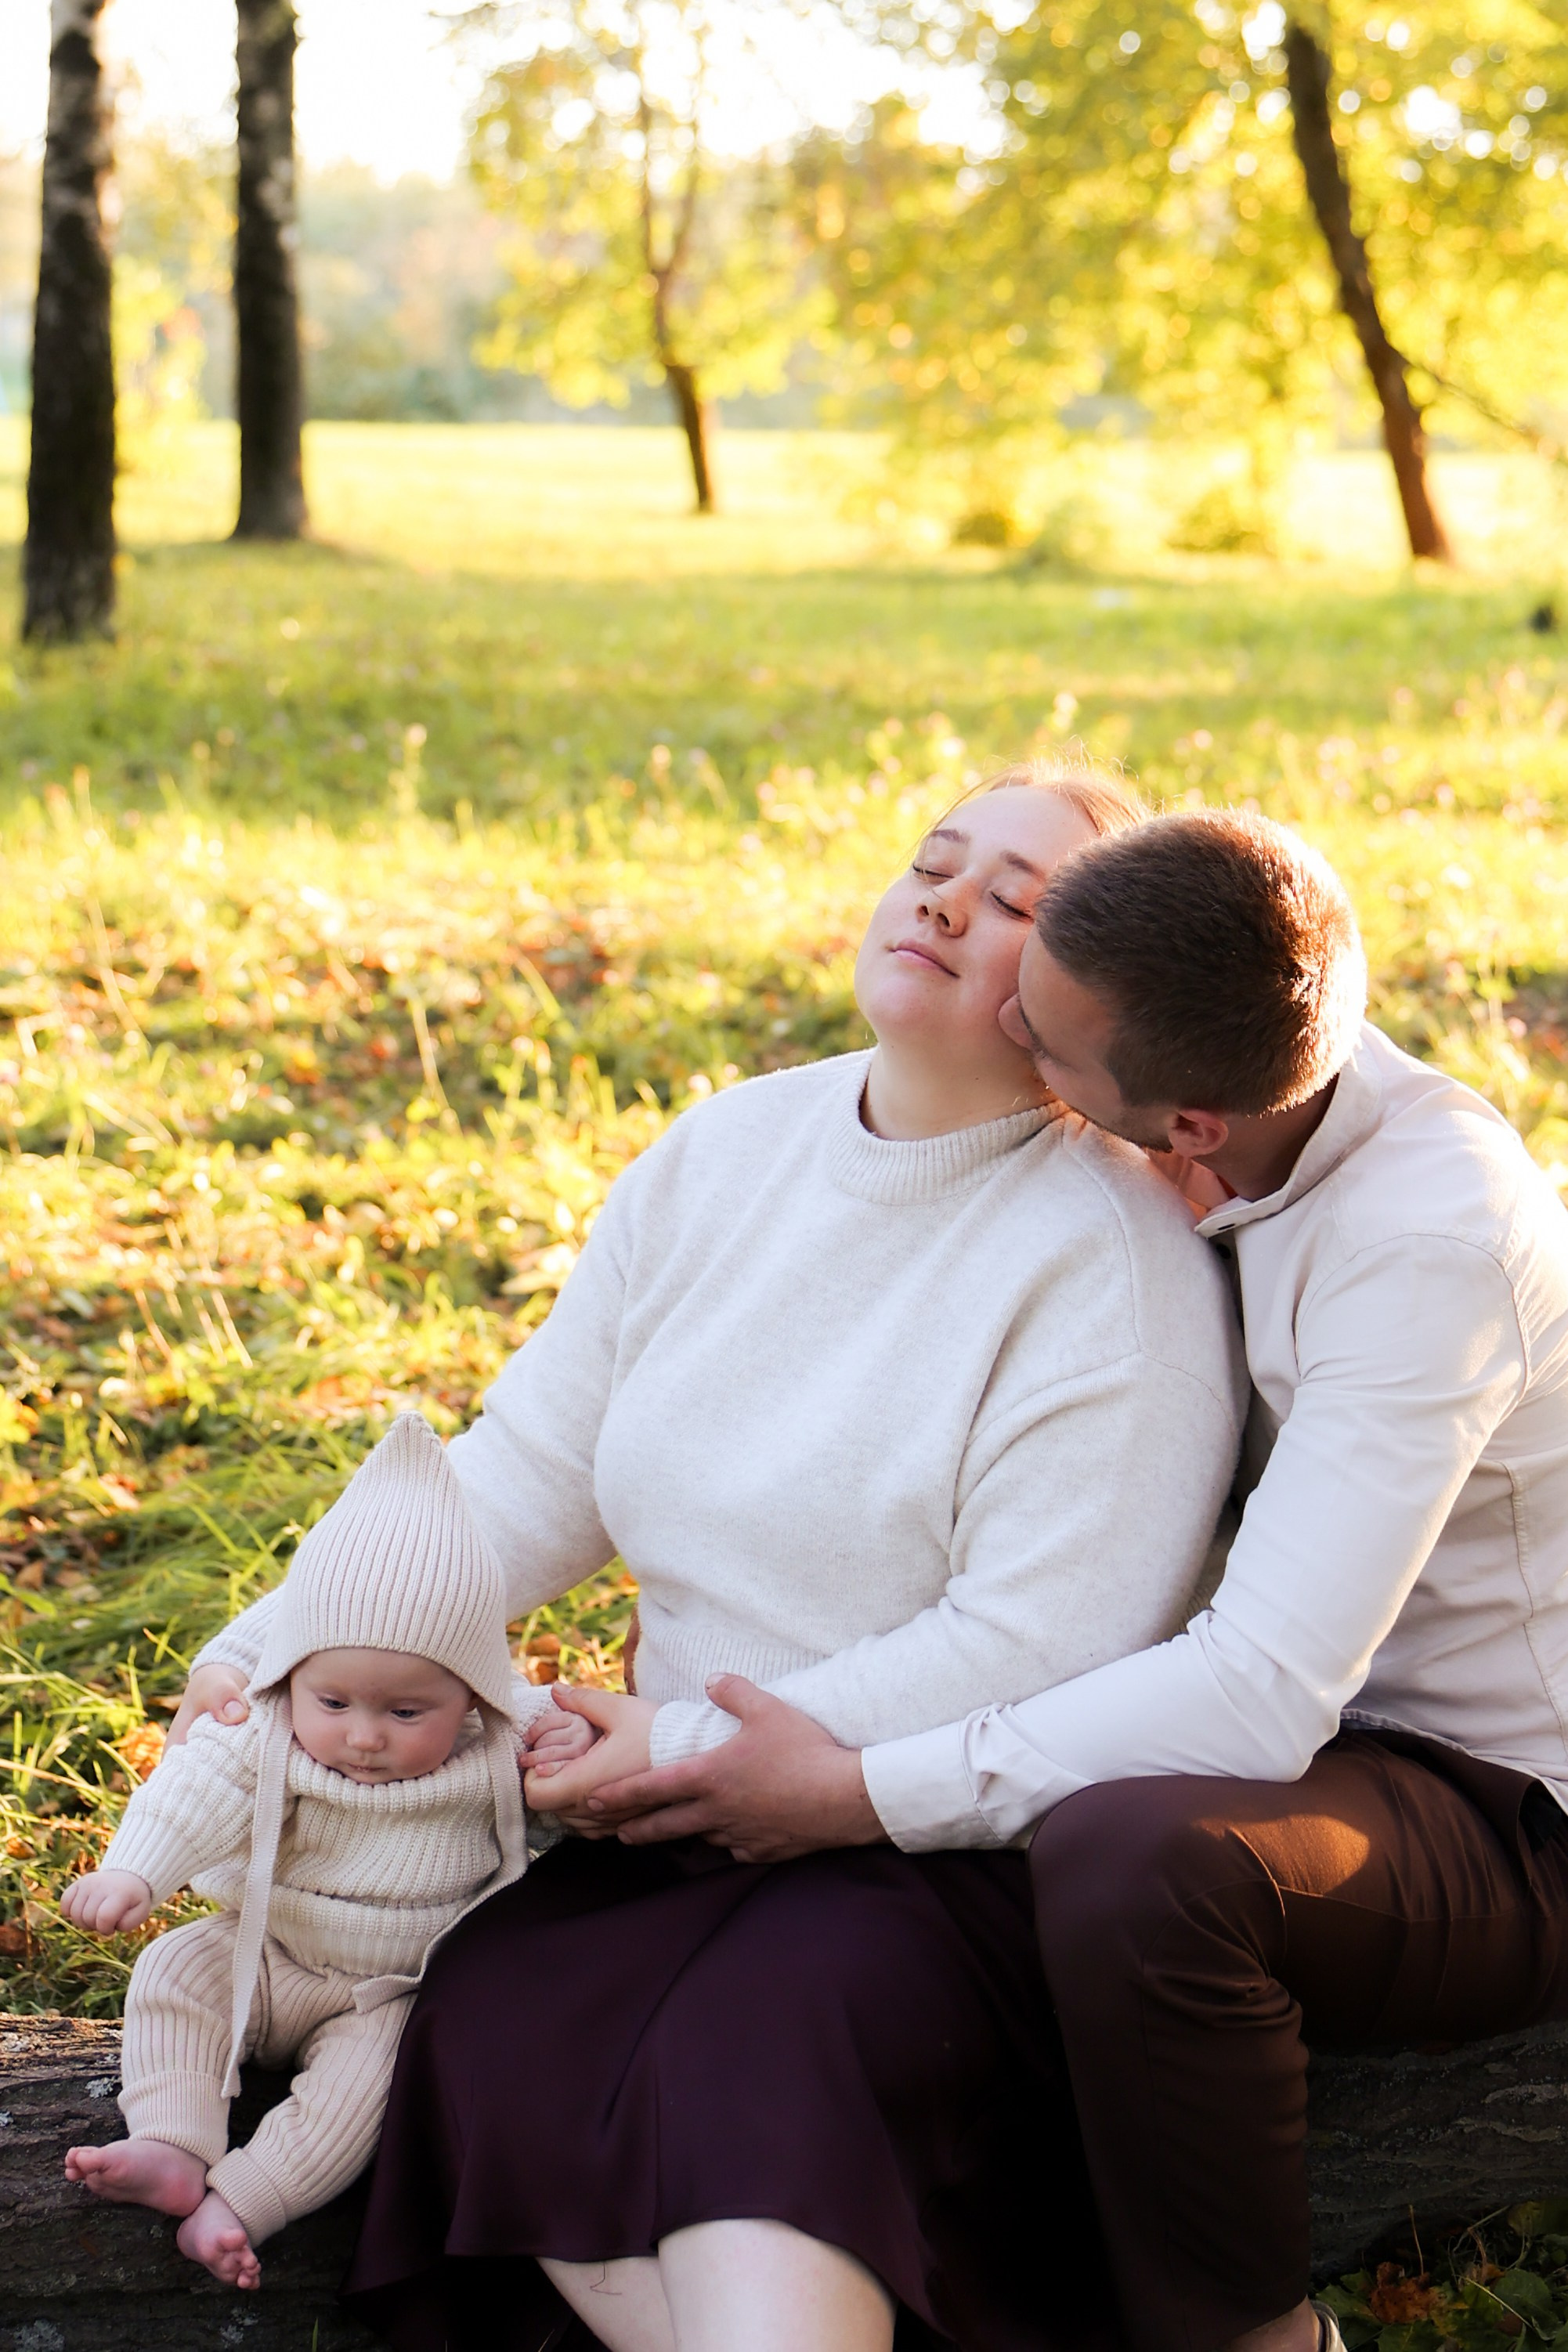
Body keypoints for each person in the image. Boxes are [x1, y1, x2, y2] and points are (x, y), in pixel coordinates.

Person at [170, 767, 1247, 2352]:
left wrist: (679, 1742)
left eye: (1016, 899)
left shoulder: (1112, 1269)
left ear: (1104, 997)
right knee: (491, 2011)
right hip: (660, 1837)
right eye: (932, 862)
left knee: (759, 2051)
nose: (944, 900)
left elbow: (1049, 1638)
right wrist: (278, 1643)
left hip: (935, 1852)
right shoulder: (725, 1153)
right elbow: (530, 1466)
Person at [583, 811, 1568, 2352]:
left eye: (1035, 1039)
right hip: (1304, 1735)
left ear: (1176, 1122)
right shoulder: (1224, 1066)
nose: (999, 1026)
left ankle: (1244, 2336)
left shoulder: (1422, 1237)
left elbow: (1252, 1692)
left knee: (1131, 1853)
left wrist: (857, 1787)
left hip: (1490, 1798)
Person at [61, 1412, 540, 2292]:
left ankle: (247, 2201)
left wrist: (592, 1761)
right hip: (264, 1950)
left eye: (406, 1714)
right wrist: (135, 1868)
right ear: (291, 1675)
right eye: (335, 1701)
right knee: (172, 1971)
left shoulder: (499, 1751)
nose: (362, 1737)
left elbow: (580, 1787)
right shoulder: (269, 1729)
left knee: (370, 2087)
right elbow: (197, 1788)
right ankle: (170, 2139)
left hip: (387, 1990)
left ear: (473, 1695)